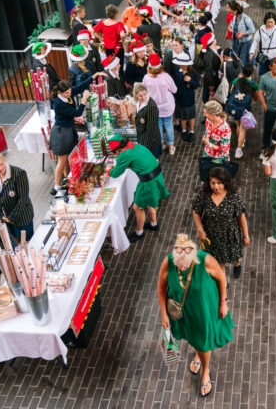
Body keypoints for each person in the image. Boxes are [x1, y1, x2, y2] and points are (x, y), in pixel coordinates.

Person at [157, 233, 233, 398]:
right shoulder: (168, 262)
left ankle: (205, 371)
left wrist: (223, 302)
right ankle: (198, 354)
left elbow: (222, 278)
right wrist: (163, 314)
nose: (182, 268)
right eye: (179, 265)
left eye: (185, 265)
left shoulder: (205, 260)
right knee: (193, 338)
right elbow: (162, 289)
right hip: (183, 312)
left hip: (204, 310)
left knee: (203, 343)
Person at [108, 135, 169, 241]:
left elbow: (116, 173)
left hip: (148, 181)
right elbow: (137, 160)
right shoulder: (134, 145)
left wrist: (108, 171)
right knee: (150, 201)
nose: (116, 155)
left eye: (115, 153)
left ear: (117, 150)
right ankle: (153, 224)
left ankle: (139, 232)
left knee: (138, 207)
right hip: (156, 174)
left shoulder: (123, 154)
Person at [192, 167, 249, 279]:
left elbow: (241, 217)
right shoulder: (204, 195)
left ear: (225, 183)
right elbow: (196, 211)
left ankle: (237, 264)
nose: (216, 186)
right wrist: (200, 229)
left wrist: (246, 235)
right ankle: (223, 283)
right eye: (213, 183)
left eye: (219, 183)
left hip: (230, 235)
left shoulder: (233, 196)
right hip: (212, 235)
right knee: (218, 261)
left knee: (235, 258)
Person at [49, 76, 102, 194]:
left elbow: (79, 87)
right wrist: (84, 100)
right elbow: (77, 113)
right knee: (62, 160)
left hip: (69, 130)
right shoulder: (58, 104)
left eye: (69, 92)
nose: (69, 94)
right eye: (66, 93)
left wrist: (93, 77)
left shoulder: (67, 95)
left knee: (69, 157)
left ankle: (68, 180)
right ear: (59, 92)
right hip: (61, 132)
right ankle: (56, 185)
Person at [0, 153, 34, 242]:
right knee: (13, 243)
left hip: (21, 218)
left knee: (26, 244)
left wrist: (11, 218)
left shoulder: (19, 173)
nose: (0, 168)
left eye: (1, 164)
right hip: (4, 218)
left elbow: (23, 199)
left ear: (4, 160)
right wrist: (0, 215)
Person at [142, 53, 177, 155]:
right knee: (169, 125)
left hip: (154, 107)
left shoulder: (146, 78)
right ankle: (171, 146)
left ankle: (161, 144)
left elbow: (144, 92)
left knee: (158, 126)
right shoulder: (166, 77)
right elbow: (174, 90)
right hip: (167, 106)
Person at [259, 58, 276, 149]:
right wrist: (264, 105)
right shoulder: (264, 78)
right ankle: (266, 147)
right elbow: (261, 92)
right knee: (267, 129)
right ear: (270, 67)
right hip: (270, 109)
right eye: (275, 68)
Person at [249, 12, 276, 77]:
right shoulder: (260, 30)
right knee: (263, 74)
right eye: (268, 22)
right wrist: (251, 52)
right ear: (265, 22)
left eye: (271, 22)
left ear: (275, 22)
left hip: (274, 57)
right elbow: (255, 42)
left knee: (274, 72)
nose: (270, 24)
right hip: (264, 56)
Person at [173, 53, 200, 143]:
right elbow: (176, 84)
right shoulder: (176, 71)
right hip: (180, 97)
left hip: (189, 98)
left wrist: (190, 81)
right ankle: (184, 130)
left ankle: (191, 131)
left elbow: (196, 85)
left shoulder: (194, 72)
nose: (184, 66)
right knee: (183, 117)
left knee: (191, 116)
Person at [133, 82, 162, 159]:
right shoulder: (138, 102)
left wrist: (145, 146)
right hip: (142, 137)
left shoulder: (151, 107)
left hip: (150, 140)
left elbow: (151, 128)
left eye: (145, 94)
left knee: (153, 160)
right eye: (140, 96)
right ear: (136, 95)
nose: (143, 97)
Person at [93, 4, 126, 70]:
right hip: (118, 49)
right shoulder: (118, 24)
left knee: (111, 67)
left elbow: (92, 30)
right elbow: (122, 34)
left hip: (108, 49)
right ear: (116, 14)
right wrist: (123, 39)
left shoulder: (102, 22)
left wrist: (100, 38)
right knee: (119, 68)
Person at [195, 33, 222, 105]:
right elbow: (209, 71)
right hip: (212, 81)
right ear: (213, 41)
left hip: (215, 78)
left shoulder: (211, 50)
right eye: (214, 38)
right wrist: (211, 88)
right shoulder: (209, 54)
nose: (216, 39)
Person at [230, 2, 255, 66]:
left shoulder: (246, 18)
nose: (231, 13)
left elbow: (252, 30)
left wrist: (243, 34)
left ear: (236, 10)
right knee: (238, 57)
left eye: (232, 11)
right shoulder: (235, 17)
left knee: (244, 59)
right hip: (237, 41)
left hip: (245, 43)